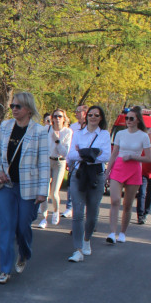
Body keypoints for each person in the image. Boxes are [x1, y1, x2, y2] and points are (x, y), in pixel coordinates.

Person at [0, 92, 48, 284]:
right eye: (12, 106)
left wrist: (42, 191)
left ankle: (24, 252)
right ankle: (5, 269)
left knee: (23, 227)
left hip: (29, 187)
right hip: (6, 185)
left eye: (18, 106)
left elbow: (44, 164)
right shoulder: (6, 126)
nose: (14, 109)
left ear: (29, 109)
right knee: (6, 227)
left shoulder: (40, 132)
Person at [66, 105, 112, 262]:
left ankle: (87, 240)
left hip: (96, 176)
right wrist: (91, 153)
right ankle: (77, 249)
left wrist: (83, 152)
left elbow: (105, 155)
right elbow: (71, 154)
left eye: (96, 115)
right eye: (90, 115)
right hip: (79, 174)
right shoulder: (78, 134)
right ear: (87, 117)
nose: (93, 117)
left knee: (92, 214)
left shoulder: (104, 134)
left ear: (101, 118)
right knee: (77, 213)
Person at [106, 106, 151, 244]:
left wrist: (133, 156)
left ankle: (123, 233)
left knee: (127, 204)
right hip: (119, 167)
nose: (128, 121)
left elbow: (148, 158)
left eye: (131, 118)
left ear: (137, 120)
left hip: (134, 169)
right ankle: (112, 233)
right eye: (127, 118)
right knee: (115, 201)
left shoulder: (143, 136)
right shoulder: (120, 134)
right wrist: (107, 171)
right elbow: (114, 153)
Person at [38, 108, 72, 228]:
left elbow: (64, 152)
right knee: (44, 191)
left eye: (60, 116)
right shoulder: (46, 129)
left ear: (64, 119)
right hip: (47, 161)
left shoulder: (67, 132)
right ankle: (43, 218)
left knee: (54, 192)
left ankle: (56, 211)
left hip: (59, 162)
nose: (57, 118)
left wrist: (57, 141)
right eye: (55, 116)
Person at [63, 104, 89, 220]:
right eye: (76, 111)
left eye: (78, 111)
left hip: (86, 162)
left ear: (85, 113)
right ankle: (69, 207)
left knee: (84, 186)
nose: (76, 113)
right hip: (74, 159)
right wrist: (68, 160)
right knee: (71, 184)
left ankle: (86, 211)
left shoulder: (90, 127)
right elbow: (70, 145)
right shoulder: (73, 127)